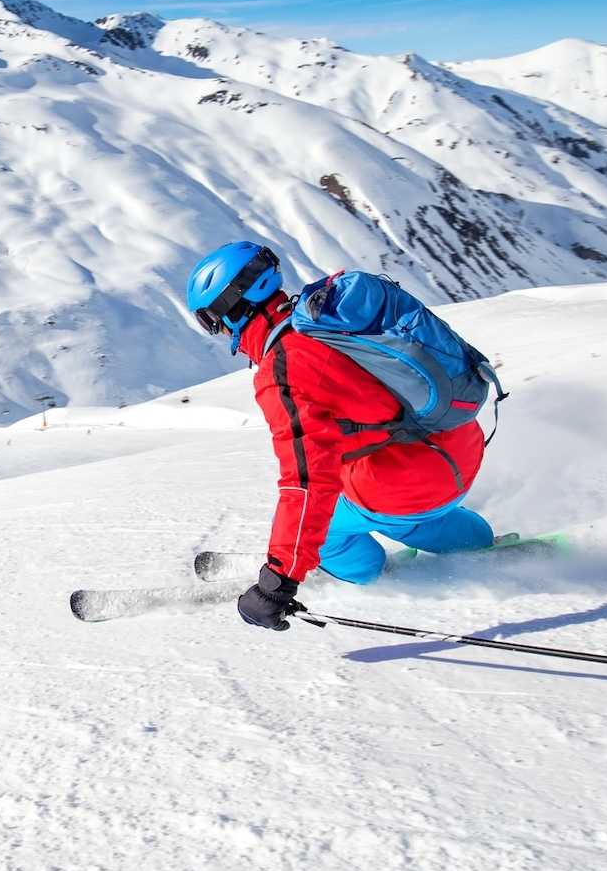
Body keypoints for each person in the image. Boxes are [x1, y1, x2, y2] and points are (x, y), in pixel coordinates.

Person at [184, 241, 496, 631]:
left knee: (335, 532)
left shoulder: (283, 369)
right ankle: (473, 540)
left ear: (231, 310)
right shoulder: (329, 320)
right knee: (416, 514)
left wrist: (278, 582)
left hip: (402, 486)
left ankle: (372, 573)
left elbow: (306, 482)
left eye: (210, 320)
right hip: (460, 447)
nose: (216, 330)